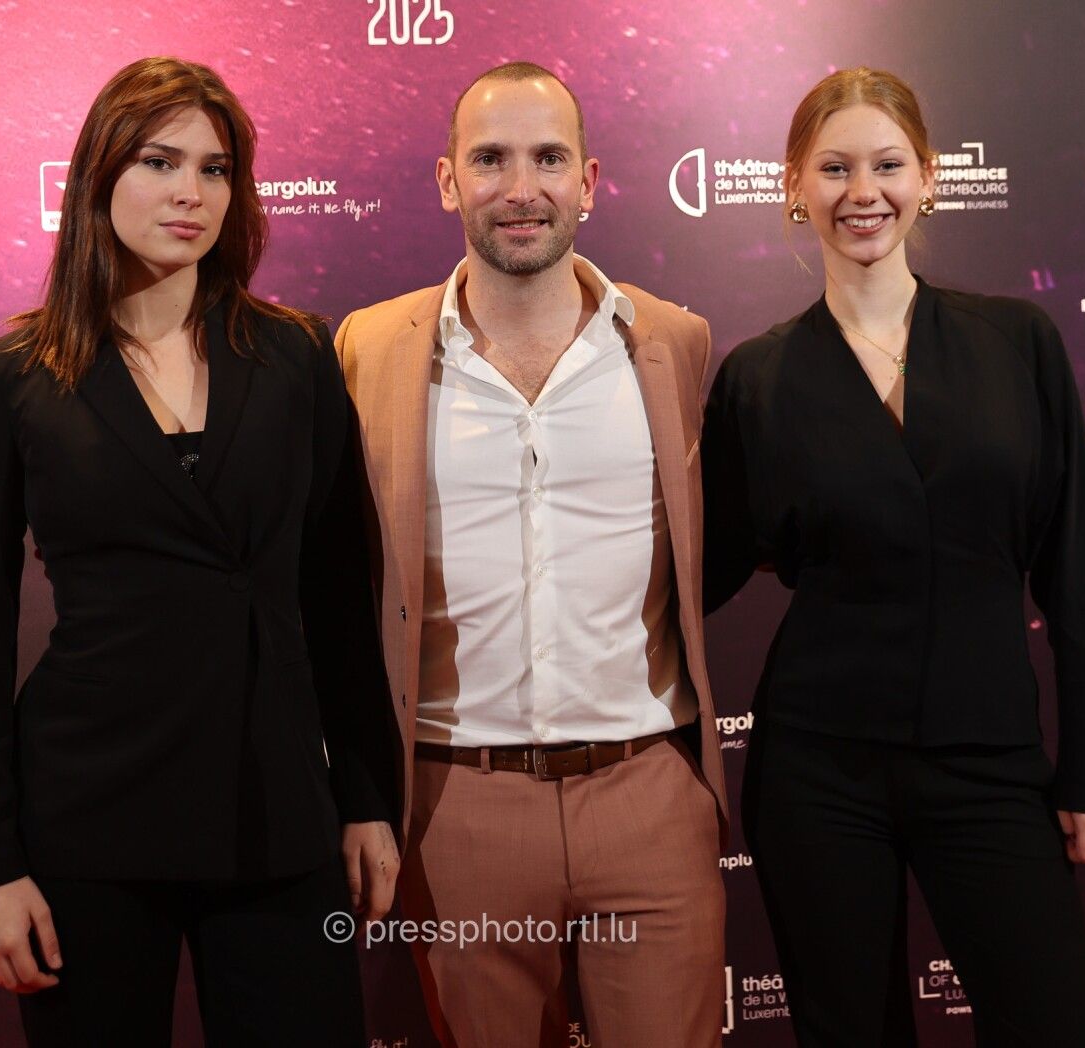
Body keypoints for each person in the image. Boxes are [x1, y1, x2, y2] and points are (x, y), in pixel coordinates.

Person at [0, 56, 399, 1046]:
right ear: (100, 174)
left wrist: (366, 798)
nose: (191, 191)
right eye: (159, 161)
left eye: (215, 168)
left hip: (276, 813)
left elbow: (336, 601)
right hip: (87, 820)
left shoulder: (295, 355)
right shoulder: (11, 376)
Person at [702, 67, 1085, 1046]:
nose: (864, 192)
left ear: (929, 178)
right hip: (816, 772)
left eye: (888, 166)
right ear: (794, 187)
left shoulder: (1017, 341)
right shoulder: (756, 377)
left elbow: (1073, 573)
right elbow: (702, 572)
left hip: (990, 759)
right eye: (834, 168)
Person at [332, 61, 728, 1048]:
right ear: (448, 180)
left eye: (548, 158)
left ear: (588, 181)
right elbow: (335, 582)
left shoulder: (671, 341)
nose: (521, 188)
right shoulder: (368, 350)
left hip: (648, 793)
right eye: (490, 159)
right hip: (458, 805)